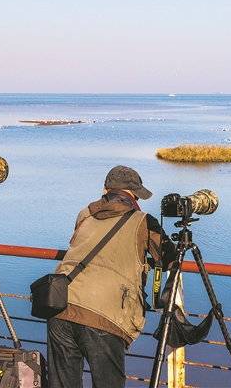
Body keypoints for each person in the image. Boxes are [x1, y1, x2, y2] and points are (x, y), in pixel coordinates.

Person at [48, 165, 176, 388]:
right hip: (104, 316)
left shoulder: (85, 214)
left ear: (105, 191)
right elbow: (170, 259)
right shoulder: (143, 221)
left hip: (60, 306)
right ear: (134, 196)